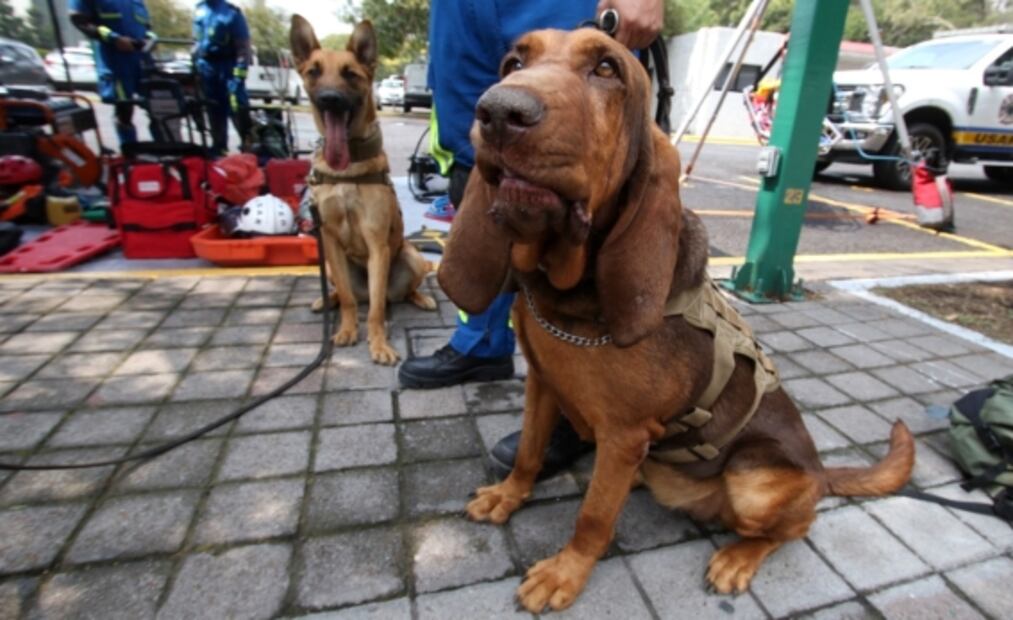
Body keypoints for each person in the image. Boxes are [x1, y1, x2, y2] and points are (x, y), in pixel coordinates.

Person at [399, 0, 664, 478]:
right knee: (473, 158)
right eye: (515, 67)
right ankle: (480, 342)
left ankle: (575, 412)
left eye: (601, 70)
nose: (508, 97)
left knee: (584, 205)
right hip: (463, 18)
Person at [69, 0, 154, 147]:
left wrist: (150, 38)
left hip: (143, 61)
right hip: (116, 62)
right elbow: (80, 20)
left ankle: (167, 152)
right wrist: (113, 38)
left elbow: (147, 27)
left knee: (159, 106)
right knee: (124, 110)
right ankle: (130, 152)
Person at [192, 0, 252, 155]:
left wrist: (239, 74)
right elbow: (196, 41)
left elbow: (243, 47)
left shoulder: (232, 13)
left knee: (237, 108)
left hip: (227, 67)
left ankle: (248, 148)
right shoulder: (199, 10)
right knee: (213, 110)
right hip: (206, 67)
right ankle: (219, 149)